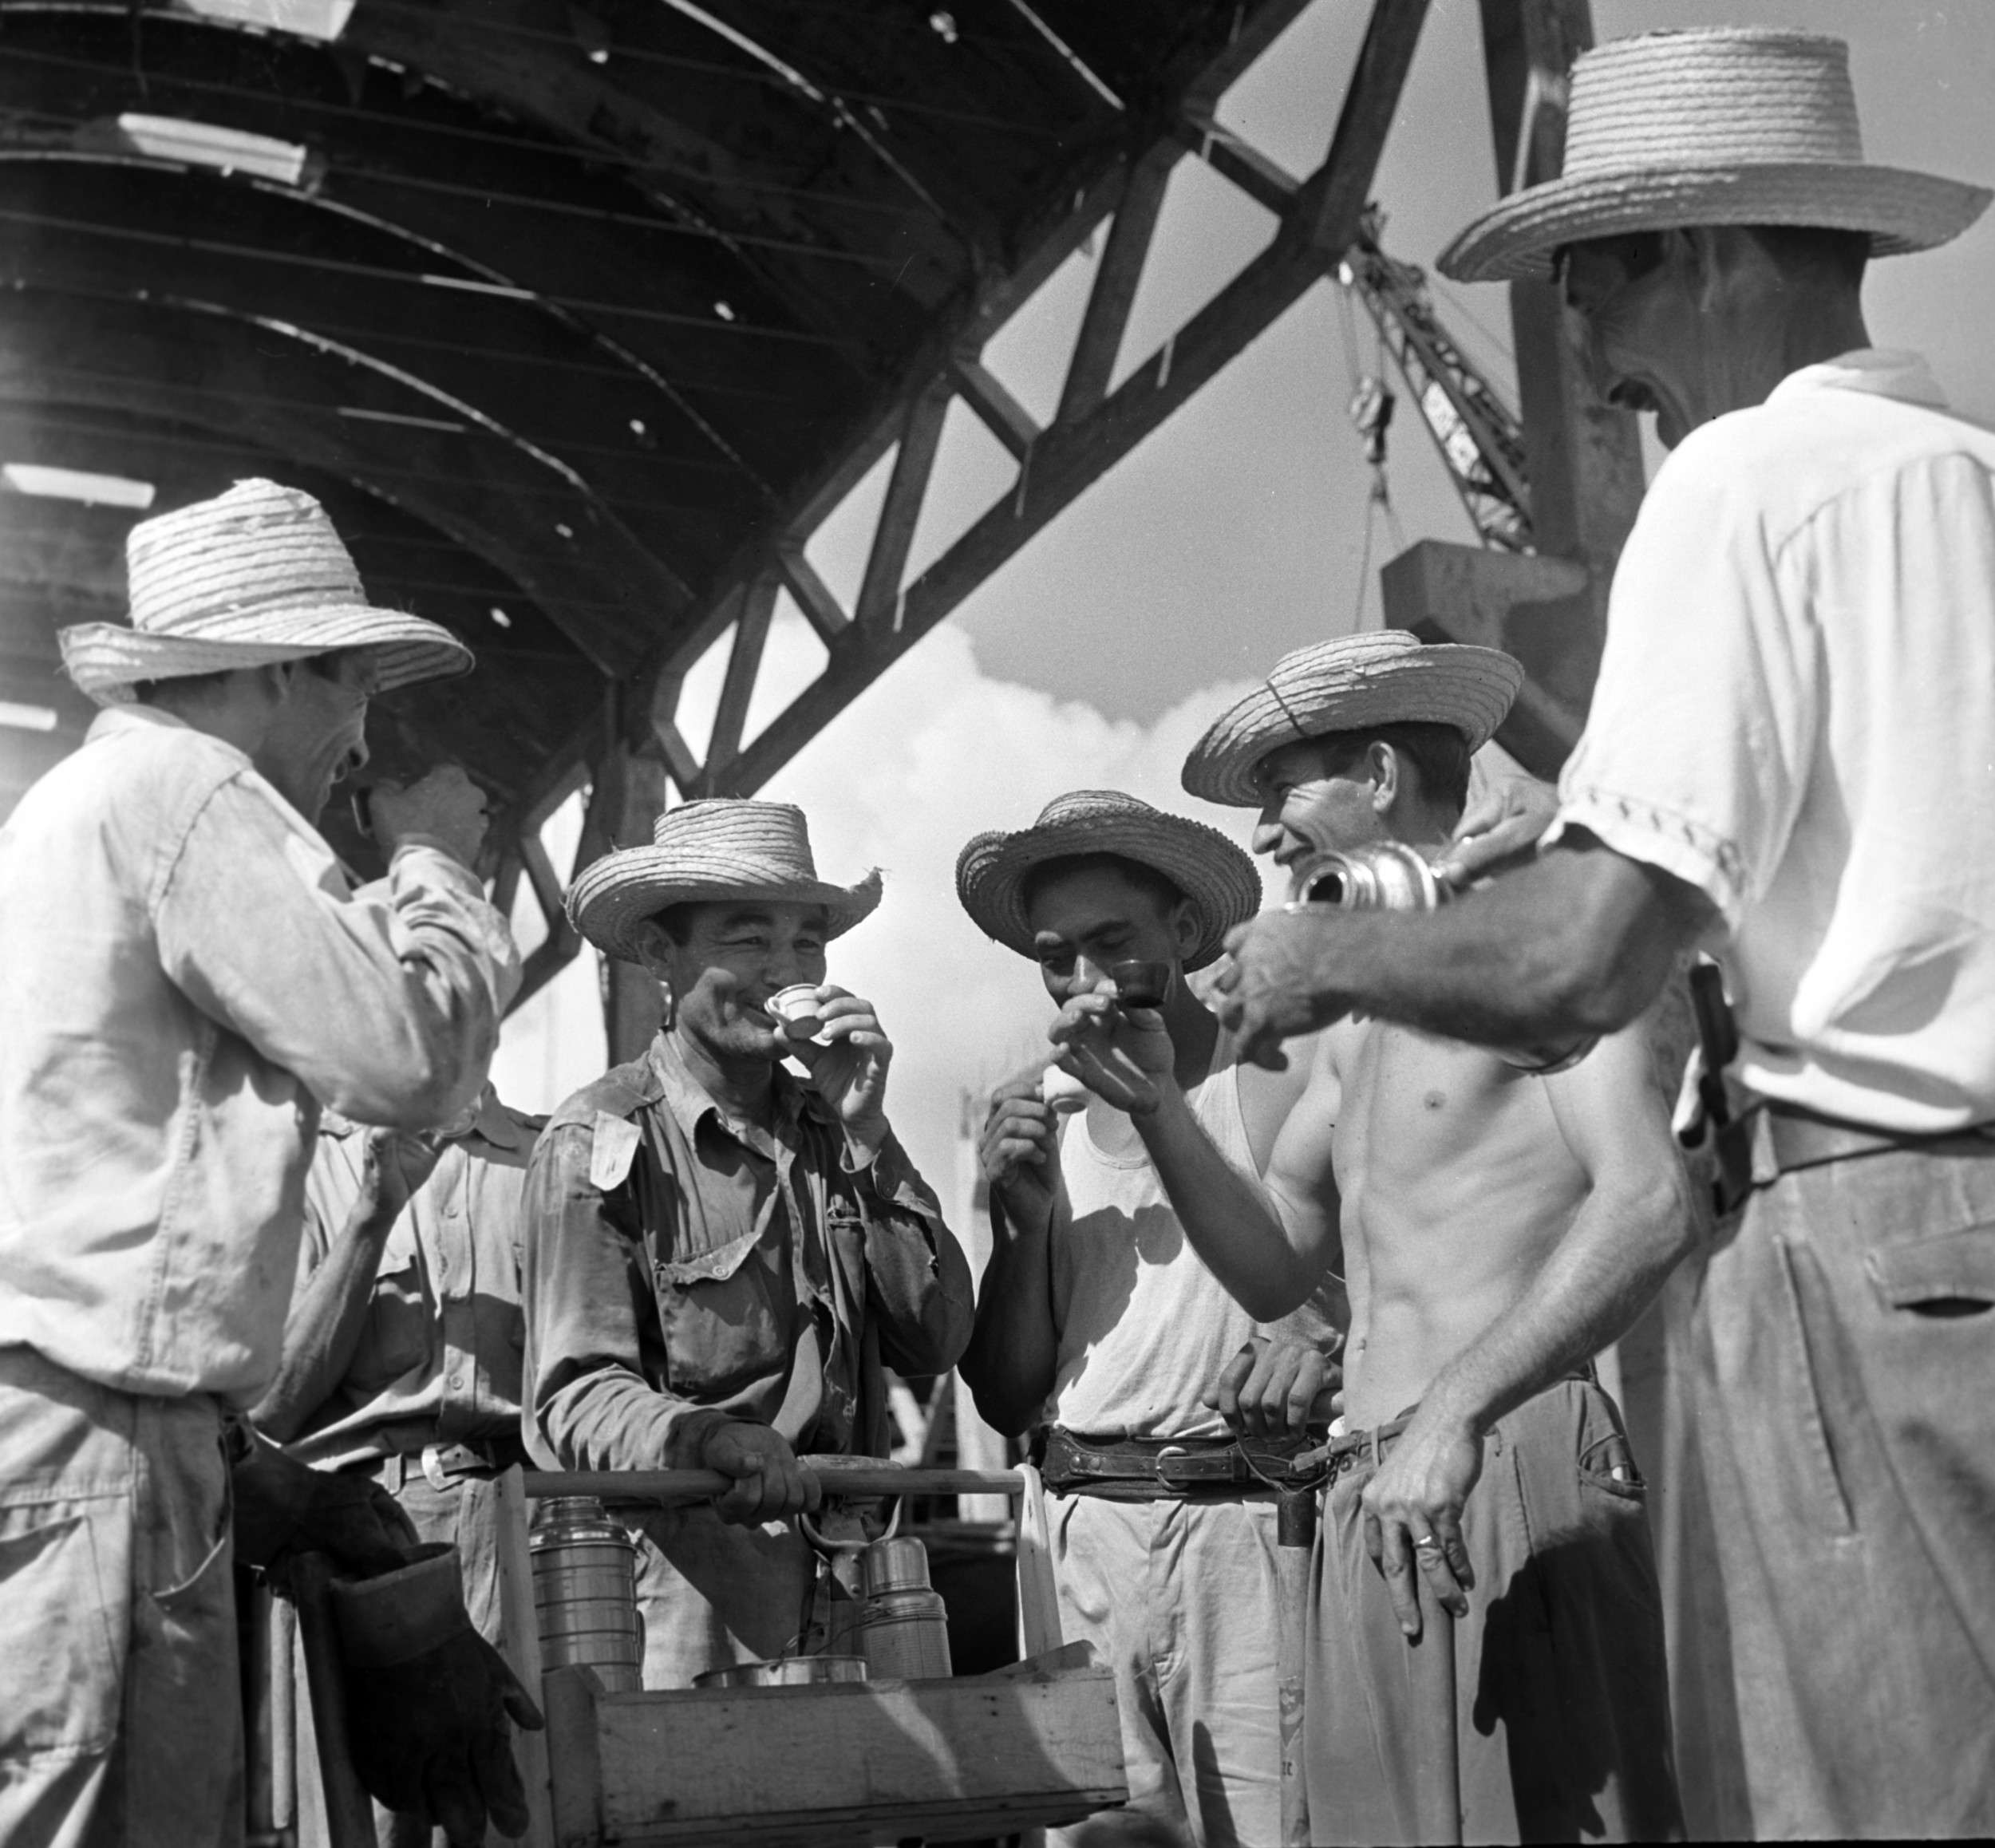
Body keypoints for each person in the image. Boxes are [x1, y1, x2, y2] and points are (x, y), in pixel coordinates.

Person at [1212, 29, 1995, 1840]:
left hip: (1862, 1236)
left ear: (1709, 252)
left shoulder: (1740, 482)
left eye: (1598, 279)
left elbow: (1590, 957)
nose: (1585, 346)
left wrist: (1325, 960)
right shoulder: (1965, 477)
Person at [1050, 635, 1690, 1842]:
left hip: (1503, 1459)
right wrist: (1159, 1108)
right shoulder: (1348, 1013)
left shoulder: (1541, 940)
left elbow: (1648, 1202)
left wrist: (1453, 1415)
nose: (1264, 836)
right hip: (1370, 1491)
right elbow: (1276, 1265)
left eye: (1284, 792)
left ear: (1382, 774)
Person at [0, 478, 534, 1846]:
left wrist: (265, 1479)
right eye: (354, 680)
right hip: (103, 1449)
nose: (362, 739)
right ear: (286, 667)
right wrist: (433, 863)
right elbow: (413, 1057)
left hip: (69, 1434)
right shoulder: (192, 791)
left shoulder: (75, 810)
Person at [954, 790, 1341, 1848]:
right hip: (1082, 1533)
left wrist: (1320, 1349)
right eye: (1054, 955)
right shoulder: (1040, 1111)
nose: (1083, 975)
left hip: (1244, 1531)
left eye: (1111, 940)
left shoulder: (1269, 1074)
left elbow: (1350, 1288)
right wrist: (1018, 1225)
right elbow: (1009, 1395)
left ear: (1184, 928)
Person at [519, 798, 975, 1687]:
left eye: (806, 943)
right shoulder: (601, 1140)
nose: (785, 970)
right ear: (661, 953)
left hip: (857, 1598)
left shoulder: (834, 1127)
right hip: (688, 1613)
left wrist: (869, 1134)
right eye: (748, 939)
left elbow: (937, 1337)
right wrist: (705, 1440)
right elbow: (573, 1396)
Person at [255, 1085, 543, 1848]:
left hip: (537, 1535)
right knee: (380, 1827)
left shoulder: (555, 1154)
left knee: (542, 1808)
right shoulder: (293, 1165)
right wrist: (371, 1215)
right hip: (365, 1551)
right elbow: (268, 1411)